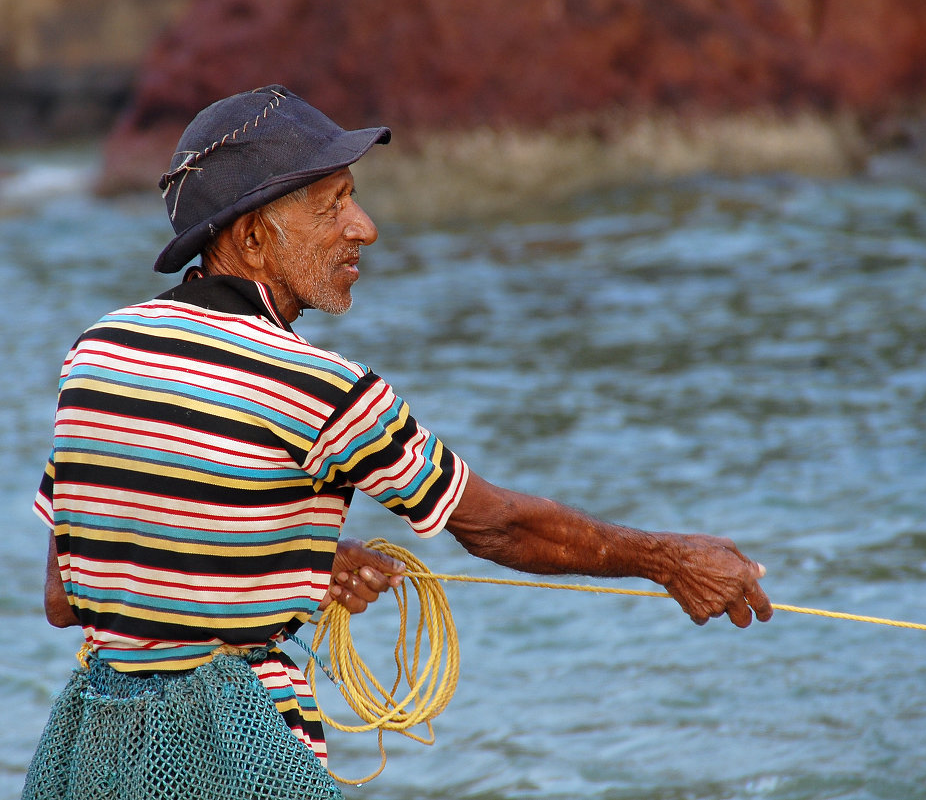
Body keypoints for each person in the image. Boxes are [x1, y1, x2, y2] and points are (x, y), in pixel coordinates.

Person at [25, 85, 772, 800]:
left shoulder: (97, 351)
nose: (364, 227)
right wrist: (666, 559)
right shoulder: (319, 385)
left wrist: (283, 562)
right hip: (236, 749)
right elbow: (494, 524)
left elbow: (68, 595)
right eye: (333, 205)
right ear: (252, 237)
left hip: (98, 749)